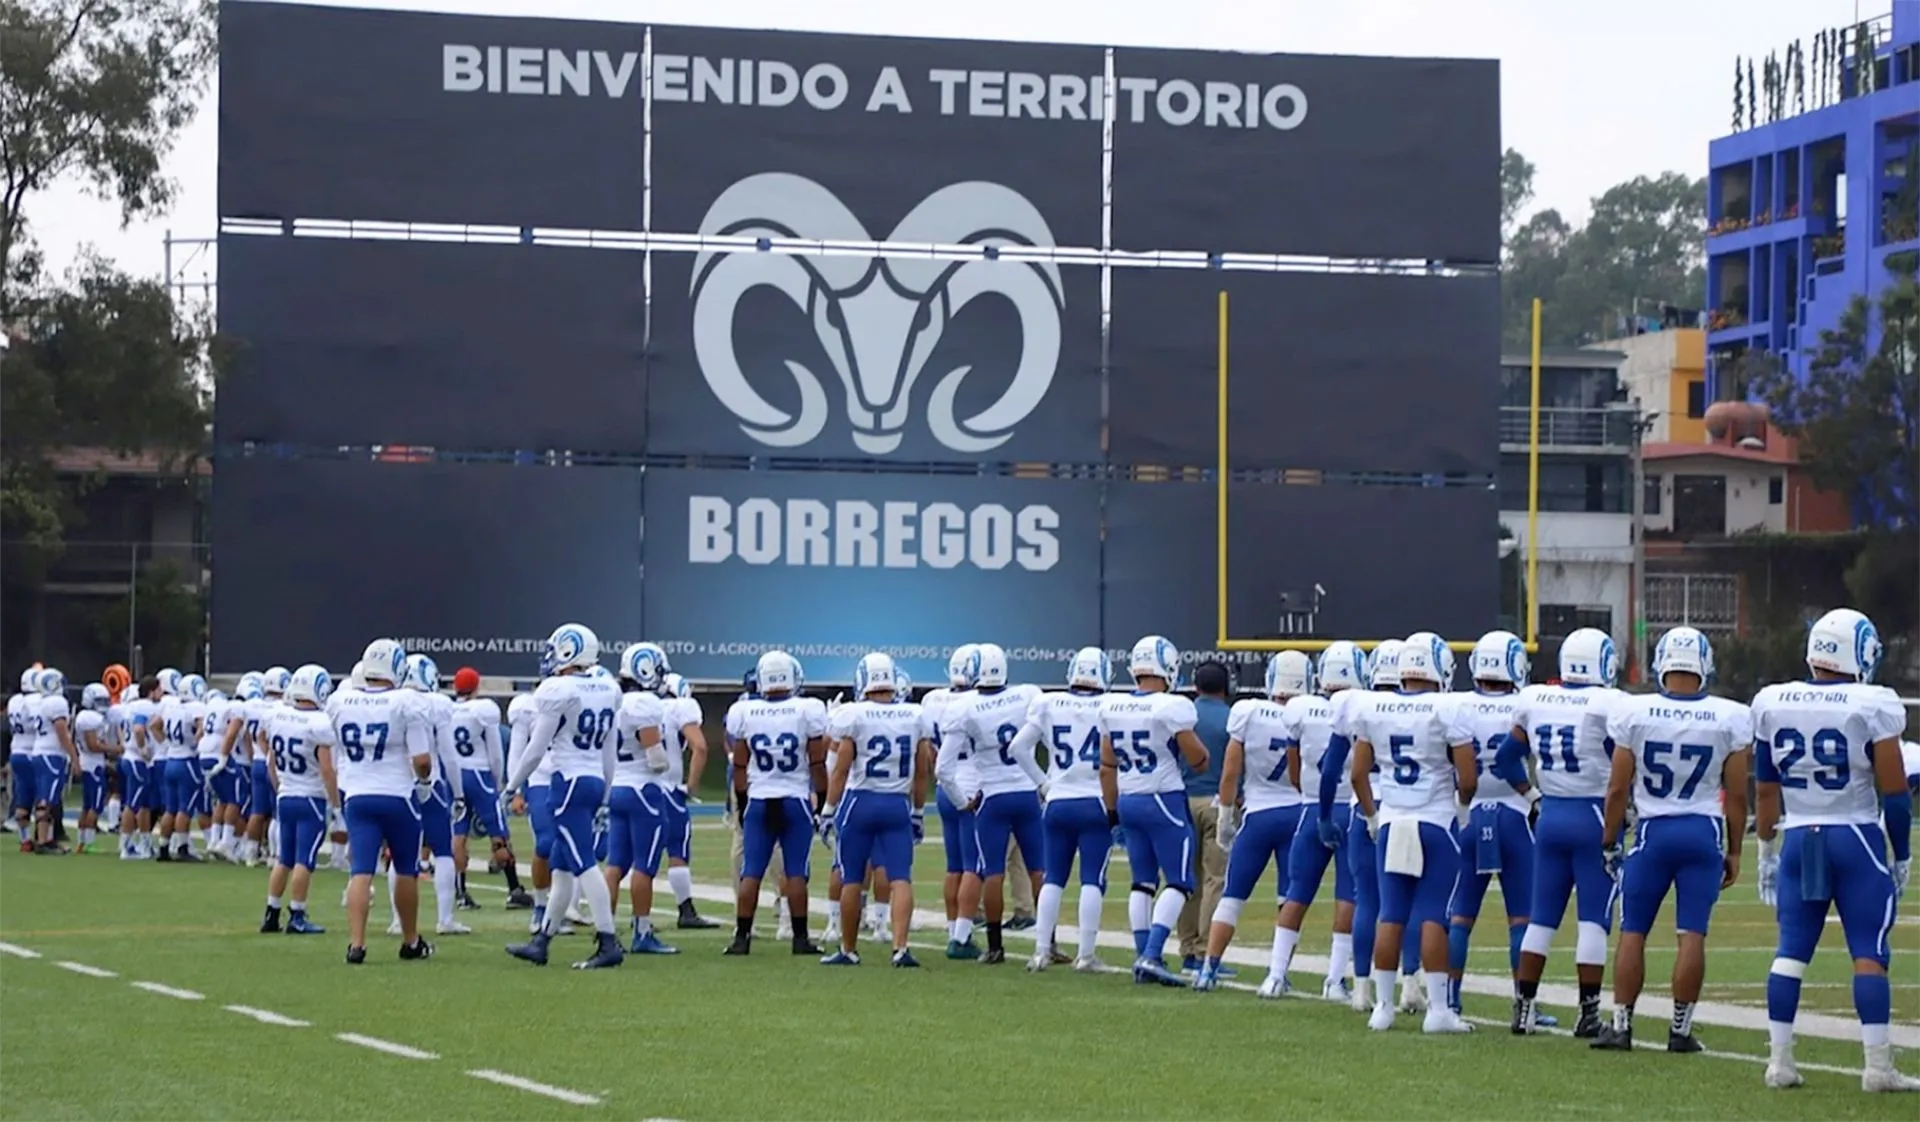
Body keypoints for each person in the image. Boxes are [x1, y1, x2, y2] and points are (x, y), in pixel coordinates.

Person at [1751, 608, 1917, 1092]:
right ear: (1861, 651)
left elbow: (1765, 790)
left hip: (1799, 833)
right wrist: (1901, 853)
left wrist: (1765, 847)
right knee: (1868, 952)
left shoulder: (1773, 701)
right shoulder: (1872, 702)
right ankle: (1878, 1067)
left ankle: (1779, 1062)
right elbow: (1895, 793)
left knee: (1790, 952)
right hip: (1855, 835)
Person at [1594, 626, 1749, 1052]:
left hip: (1653, 833)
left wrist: (1609, 840)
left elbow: (1617, 789)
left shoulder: (1636, 711)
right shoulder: (1729, 715)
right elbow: (1736, 795)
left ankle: (1622, 1025)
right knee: (1692, 933)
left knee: (1633, 931)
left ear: (1661, 662)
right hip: (1703, 832)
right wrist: (1735, 849)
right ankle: (1680, 1031)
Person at [1350, 632, 1475, 1034]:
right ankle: (1438, 1010)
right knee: (1432, 915)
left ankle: (1382, 1007)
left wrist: (1372, 816)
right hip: (1435, 822)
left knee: (1391, 913)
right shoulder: (1446, 707)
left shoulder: (1374, 706)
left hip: (1392, 820)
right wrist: (1460, 808)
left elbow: (1357, 774)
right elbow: (1468, 777)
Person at [1502, 626, 1623, 1036]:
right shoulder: (1608, 703)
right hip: (1592, 815)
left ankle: (1523, 1009)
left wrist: (1533, 796)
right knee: (1593, 920)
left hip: (1550, 816)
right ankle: (1588, 1014)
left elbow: (1505, 760)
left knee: (1542, 919)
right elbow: (1621, 763)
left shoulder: (1536, 698)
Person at [504, 624, 625, 969]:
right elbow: (609, 752)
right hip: (592, 780)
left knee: (584, 864)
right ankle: (542, 940)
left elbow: (535, 749)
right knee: (561, 867)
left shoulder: (558, 689)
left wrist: (512, 786)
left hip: (568, 782)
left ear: (568, 651)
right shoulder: (607, 687)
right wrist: (604, 793)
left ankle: (607, 941)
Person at [1099, 635, 1210, 987]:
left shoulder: (1112, 706)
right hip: (1163, 797)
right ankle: (1152, 953)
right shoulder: (1170, 706)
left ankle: (1142, 953)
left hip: (1128, 799)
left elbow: (1106, 765)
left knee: (1142, 881)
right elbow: (1199, 759)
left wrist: (1112, 812)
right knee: (1179, 880)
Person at [1195, 651, 1310, 991]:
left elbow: (1230, 773)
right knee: (1288, 899)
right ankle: (1276, 976)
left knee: (1233, 896)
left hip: (1258, 816)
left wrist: (1227, 818)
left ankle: (1207, 970)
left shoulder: (1250, 712)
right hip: (1295, 814)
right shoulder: (1312, 714)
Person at [1443, 630, 1538, 1019]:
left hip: (1466, 812)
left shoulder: (1455, 704)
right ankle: (1524, 1005)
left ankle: (1449, 998)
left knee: (1460, 914)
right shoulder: (1526, 704)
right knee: (1522, 917)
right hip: (1515, 816)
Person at [1267, 641, 1367, 1002]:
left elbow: (1294, 772)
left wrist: (1313, 798)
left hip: (1313, 809)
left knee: (1297, 892)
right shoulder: (1364, 708)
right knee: (1347, 896)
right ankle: (1334, 981)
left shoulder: (1300, 709)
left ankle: (1275, 975)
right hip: (1351, 810)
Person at [936, 642, 1045, 965]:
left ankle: (995, 947)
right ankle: (1047, 943)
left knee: (990, 871)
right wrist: (1044, 780)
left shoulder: (964, 706)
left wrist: (962, 802)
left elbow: (943, 768)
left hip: (991, 796)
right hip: (1026, 793)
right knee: (1039, 868)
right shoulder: (1027, 695)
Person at [820, 652, 932, 967]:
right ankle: (900, 948)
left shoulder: (852, 715)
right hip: (897, 803)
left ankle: (849, 949)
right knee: (900, 878)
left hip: (859, 802)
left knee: (852, 878)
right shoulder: (914, 714)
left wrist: (829, 809)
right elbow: (922, 770)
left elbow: (840, 770)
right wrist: (919, 811)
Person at [331, 638, 435, 965]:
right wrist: (424, 781)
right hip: (397, 795)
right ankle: (410, 941)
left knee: (361, 871)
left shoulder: (341, 700)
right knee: (406, 869)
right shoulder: (406, 702)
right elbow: (421, 760)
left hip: (358, 796)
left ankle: (357, 945)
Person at [1011, 646, 1112, 973]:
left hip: (1058, 800)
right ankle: (1085, 954)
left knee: (1054, 876)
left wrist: (1043, 783)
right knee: (1092, 879)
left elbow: (1018, 747)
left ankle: (1041, 951)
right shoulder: (1111, 705)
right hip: (1095, 799)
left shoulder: (1048, 702)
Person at [722, 650, 829, 956]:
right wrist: (820, 801)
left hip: (759, 797)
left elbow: (740, 766)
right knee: (795, 871)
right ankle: (800, 938)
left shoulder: (746, 711)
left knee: (751, 870)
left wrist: (742, 804)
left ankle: (742, 938)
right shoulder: (808, 709)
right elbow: (817, 763)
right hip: (794, 799)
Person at [607, 642, 678, 954]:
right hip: (642, 790)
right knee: (644, 866)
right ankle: (642, 932)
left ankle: (604, 929)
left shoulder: (614, 699)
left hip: (616, 787)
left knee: (614, 865)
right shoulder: (644, 704)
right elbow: (656, 757)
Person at [259, 664, 338, 935]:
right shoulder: (319, 723)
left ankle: (271, 913)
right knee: (304, 860)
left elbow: (271, 761)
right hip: (310, 798)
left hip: (286, 795)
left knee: (284, 859)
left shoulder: (279, 715)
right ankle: (297, 915)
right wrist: (336, 803)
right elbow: (327, 769)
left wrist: (280, 786)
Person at [448, 666, 530, 909]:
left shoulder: (447, 710)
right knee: (499, 832)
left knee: (459, 834)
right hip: (479, 773)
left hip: (456, 774)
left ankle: (461, 893)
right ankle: (514, 888)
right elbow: (495, 752)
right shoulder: (484, 709)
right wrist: (497, 781)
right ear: (477, 686)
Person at [920, 645, 983, 957]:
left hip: (946, 786)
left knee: (954, 866)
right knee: (975, 866)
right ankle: (961, 937)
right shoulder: (978, 700)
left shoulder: (932, 700)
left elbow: (931, 750)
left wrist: (940, 776)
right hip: (972, 787)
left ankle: (951, 929)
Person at [400, 653, 468, 937]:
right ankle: (445, 919)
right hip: (430, 782)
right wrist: (459, 793)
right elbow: (449, 755)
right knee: (442, 851)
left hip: (399, 785)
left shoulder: (392, 700)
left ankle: (397, 921)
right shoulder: (437, 704)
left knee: (402, 855)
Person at [1176, 660, 1234, 972]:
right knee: (1215, 879)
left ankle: (1187, 947)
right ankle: (1205, 951)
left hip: (1182, 800)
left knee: (1188, 879)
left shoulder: (1182, 713)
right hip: (1217, 802)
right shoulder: (1230, 717)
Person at [656, 672, 718, 929]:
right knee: (677, 852)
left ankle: (611, 919)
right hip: (667, 788)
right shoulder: (680, 707)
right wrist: (690, 786)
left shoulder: (633, 705)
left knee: (628, 856)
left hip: (631, 788)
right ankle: (685, 910)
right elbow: (700, 747)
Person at [243, 667, 291, 866]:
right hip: (274, 763)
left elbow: (249, 736)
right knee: (276, 812)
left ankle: (250, 852)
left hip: (256, 761)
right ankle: (275, 854)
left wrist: (254, 755)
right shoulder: (283, 709)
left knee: (257, 810)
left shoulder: (254, 706)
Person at [116, 679, 161, 859]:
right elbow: (138, 729)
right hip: (137, 759)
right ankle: (125, 846)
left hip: (131, 757)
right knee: (133, 804)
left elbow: (122, 728)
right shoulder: (145, 706)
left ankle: (144, 844)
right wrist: (142, 748)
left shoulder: (130, 707)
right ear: (151, 691)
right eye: (159, 690)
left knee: (143, 804)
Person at [71, 683, 114, 853]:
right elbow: (93, 745)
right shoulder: (89, 718)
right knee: (95, 806)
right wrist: (114, 749)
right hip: (92, 765)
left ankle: (81, 842)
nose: (103, 703)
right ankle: (88, 843)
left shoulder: (86, 716)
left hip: (89, 763)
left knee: (87, 805)